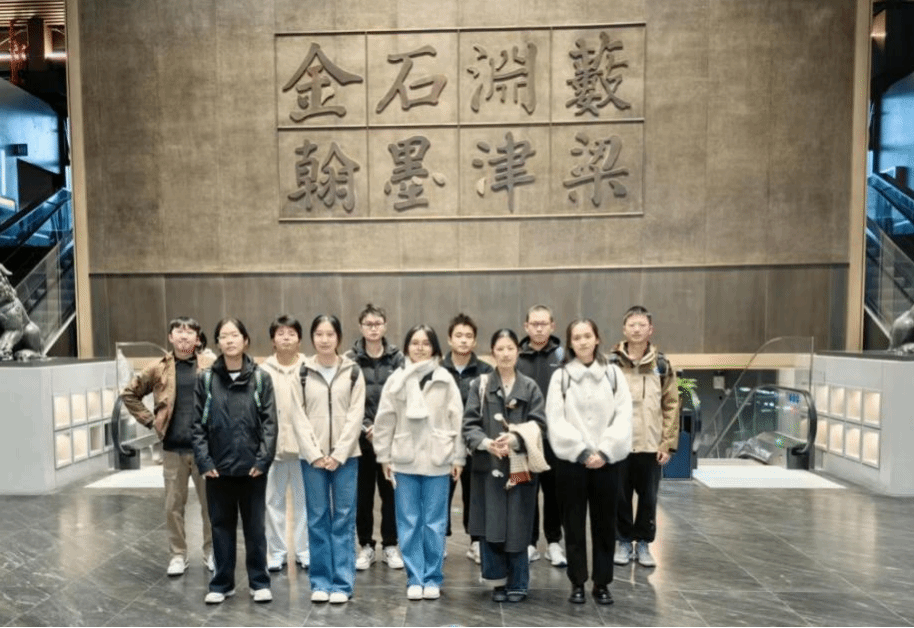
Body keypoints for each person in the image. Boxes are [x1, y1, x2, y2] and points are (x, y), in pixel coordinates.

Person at [373, 324, 464, 601]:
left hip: (438, 459)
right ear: (407, 347)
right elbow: (384, 420)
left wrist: (458, 456)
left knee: (435, 523)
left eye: (426, 343)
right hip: (404, 459)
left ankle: (433, 577)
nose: (420, 348)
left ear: (434, 347)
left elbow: (457, 420)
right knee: (409, 522)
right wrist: (383, 456)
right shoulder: (397, 379)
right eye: (415, 342)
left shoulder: (445, 378)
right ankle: (414, 577)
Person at [545, 318, 632, 606]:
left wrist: (605, 451)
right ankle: (577, 582)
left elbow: (624, 416)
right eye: (577, 337)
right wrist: (581, 451)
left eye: (587, 336)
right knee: (573, 524)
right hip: (572, 463)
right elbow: (555, 419)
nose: (582, 341)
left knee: (605, 524)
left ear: (597, 339)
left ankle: (602, 583)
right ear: (570, 343)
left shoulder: (613, 374)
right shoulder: (561, 377)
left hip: (608, 462)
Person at [121, 316, 216, 577]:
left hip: (206, 449)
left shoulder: (210, 366)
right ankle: (177, 555)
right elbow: (129, 394)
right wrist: (150, 421)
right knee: (173, 507)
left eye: (190, 332)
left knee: (212, 506)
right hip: (173, 449)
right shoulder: (158, 368)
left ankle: (212, 552)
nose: (184, 336)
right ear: (170, 337)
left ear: (198, 338)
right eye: (179, 331)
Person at [192, 318, 277, 604]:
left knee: (255, 528)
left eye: (234, 335)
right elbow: (197, 426)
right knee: (220, 527)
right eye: (224, 336)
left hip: (253, 469)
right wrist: (205, 462)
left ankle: (259, 582)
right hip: (218, 469)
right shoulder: (206, 379)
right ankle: (222, 584)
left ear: (245, 340)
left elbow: (270, 424)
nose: (229, 340)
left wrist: (262, 461)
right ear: (217, 343)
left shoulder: (261, 378)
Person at [463, 328, 548, 603]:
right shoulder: (480, 386)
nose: (505, 354)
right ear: (492, 352)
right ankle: (497, 581)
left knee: (518, 522)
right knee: (492, 523)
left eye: (510, 348)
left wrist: (515, 438)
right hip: (488, 467)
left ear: (518, 351)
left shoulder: (530, 387)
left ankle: (519, 582)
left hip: (520, 468)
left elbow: (540, 424)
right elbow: (469, 425)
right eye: (500, 349)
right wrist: (487, 443)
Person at [293, 314, 366, 604]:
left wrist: (338, 453)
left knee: (344, 519)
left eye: (330, 334)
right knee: (317, 518)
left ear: (339, 338)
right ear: (312, 338)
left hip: (346, 458)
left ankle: (342, 584)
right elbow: (298, 416)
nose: (324, 339)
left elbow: (356, 415)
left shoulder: (353, 371)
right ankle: (321, 582)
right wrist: (315, 454)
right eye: (319, 334)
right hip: (312, 460)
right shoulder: (302, 372)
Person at [611, 306, 679, 568]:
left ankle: (644, 543)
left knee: (648, 499)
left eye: (642, 325)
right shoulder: (612, 363)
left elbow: (671, 404)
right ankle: (623, 541)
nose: (637, 329)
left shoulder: (661, 364)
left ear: (650, 330)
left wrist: (667, 443)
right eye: (632, 325)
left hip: (651, 444)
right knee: (620, 497)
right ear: (624, 329)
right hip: (620, 445)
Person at [344, 304, 404, 571]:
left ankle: (391, 544)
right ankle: (366, 546)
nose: (373, 328)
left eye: (377, 323)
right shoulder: (350, 360)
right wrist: (366, 427)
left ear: (385, 326)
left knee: (390, 494)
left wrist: (384, 429)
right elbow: (346, 400)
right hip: (361, 440)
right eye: (368, 324)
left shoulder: (397, 359)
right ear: (361, 327)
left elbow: (403, 397)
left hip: (390, 440)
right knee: (363, 496)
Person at [516, 304, 567, 567]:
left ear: (552, 326)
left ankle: (554, 543)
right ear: (526, 326)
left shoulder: (563, 356)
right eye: (534, 324)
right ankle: (529, 542)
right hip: (525, 439)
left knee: (555, 494)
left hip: (555, 440)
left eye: (543, 323)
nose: (538, 328)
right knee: (526, 492)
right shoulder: (516, 356)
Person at [440, 313, 493, 564]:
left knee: (476, 494)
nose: (463, 340)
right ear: (449, 339)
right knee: (442, 493)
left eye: (468, 336)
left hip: (475, 444)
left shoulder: (486, 371)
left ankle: (476, 541)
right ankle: (440, 538)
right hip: (445, 443)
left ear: (475, 341)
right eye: (458, 335)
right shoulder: (438, 370)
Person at [260, 315, 309, 572]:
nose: (286, 338)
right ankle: (277, 552)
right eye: (281, 333)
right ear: (273, 340)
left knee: (304, 502)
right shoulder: (263, 371)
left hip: (304, 450)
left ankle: (304, 550)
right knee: (273, 503)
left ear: (299, 339)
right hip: (273, 448)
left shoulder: (309, 368)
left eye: (291, 333)